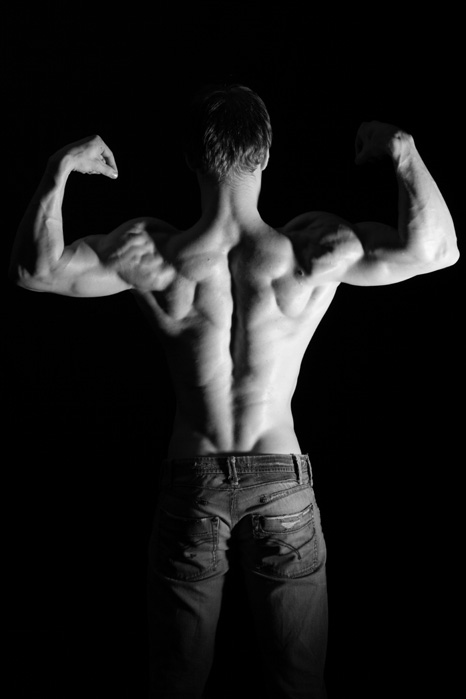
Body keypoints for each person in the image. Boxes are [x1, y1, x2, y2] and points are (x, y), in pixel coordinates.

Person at [9, 84, 459, 698]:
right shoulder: (311, 249)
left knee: (175, 685)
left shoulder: (154, 253)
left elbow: (35, 271)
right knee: (299, 685)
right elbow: (437, 250)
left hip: (192, 478)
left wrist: (60, 167)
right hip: (281, 483)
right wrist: (402, 150)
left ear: (190, 159)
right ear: (265, 155)